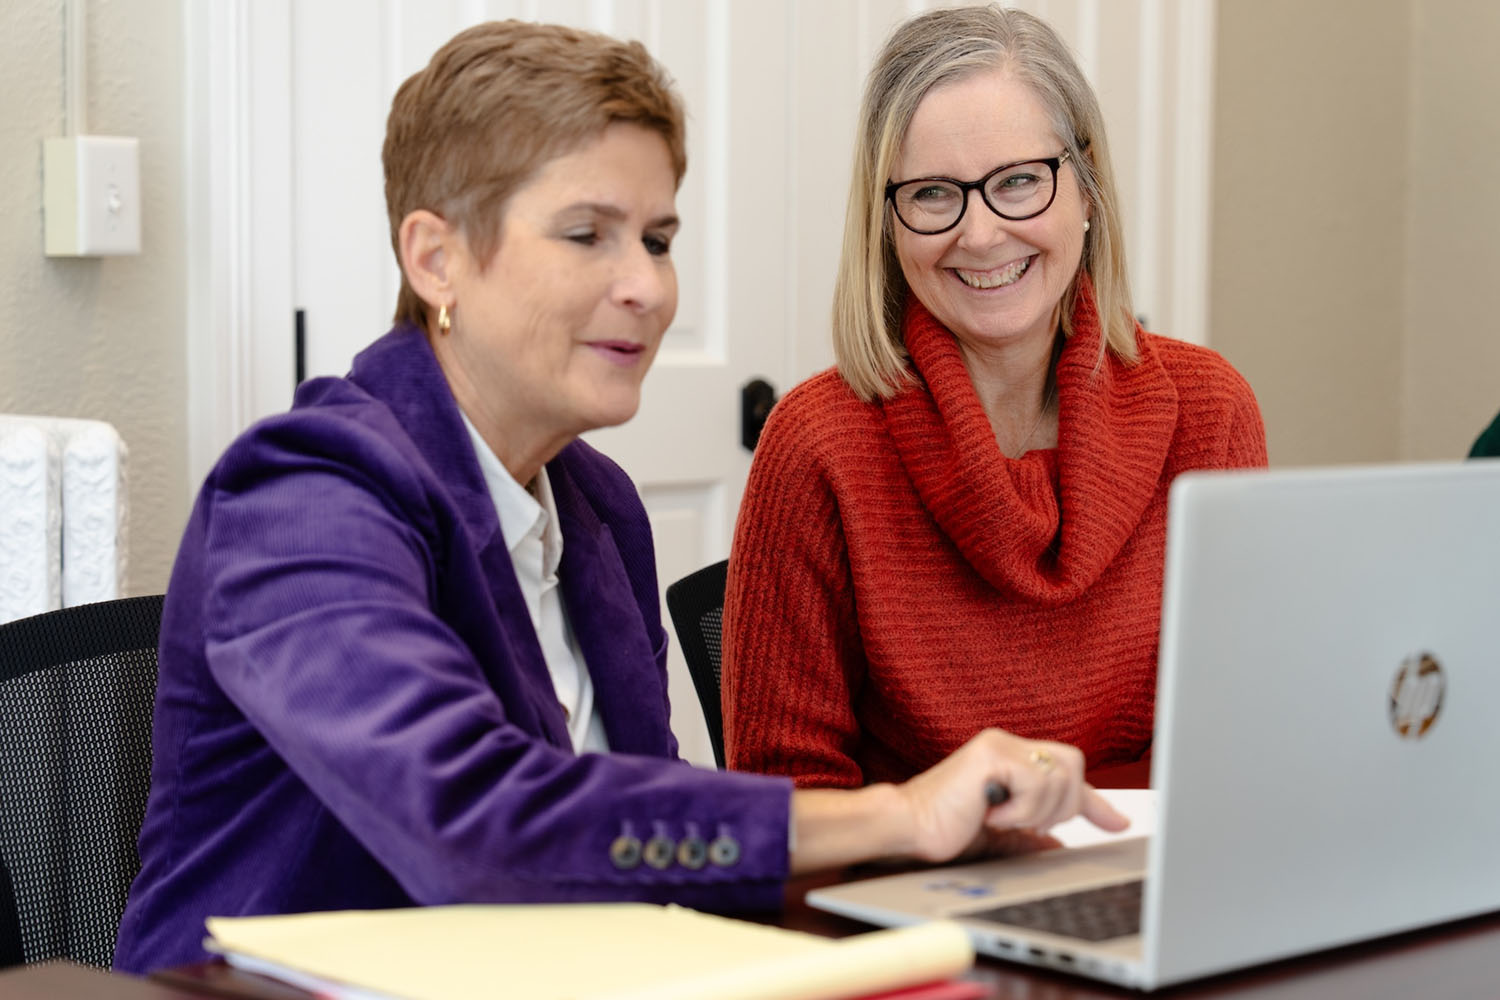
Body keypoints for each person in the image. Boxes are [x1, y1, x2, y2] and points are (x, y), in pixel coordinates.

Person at [112, 20, 1127, 974]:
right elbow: (475, 826)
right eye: (588, 234)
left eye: (657, 237)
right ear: (436, 259)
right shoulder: (302, 495)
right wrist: (901, 816)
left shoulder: (595, 506)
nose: (646, 285)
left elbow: (654, 858)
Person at [721, 5, 1268, 792]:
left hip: (1163, 885)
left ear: (1087, 189)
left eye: (1018, 182)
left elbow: (1244, 739)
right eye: (936, 194)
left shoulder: (1210, 410)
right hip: (912, 901)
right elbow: (787, 800)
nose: (980, 235)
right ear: (887, 222)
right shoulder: (818, 442)